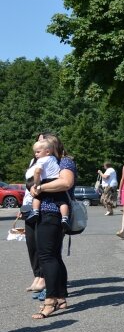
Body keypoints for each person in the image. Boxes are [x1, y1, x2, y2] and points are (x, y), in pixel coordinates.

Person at [27, 133, 76, 319]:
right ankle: (61, 296)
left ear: (52, 146)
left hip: (52, 212)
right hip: (48, 212)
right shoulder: (50, 162)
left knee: (46, 256)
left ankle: (51, 300)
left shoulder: (65, 162)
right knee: (53, 255)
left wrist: (40, 188)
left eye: (42, 144)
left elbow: (66, 182)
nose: (39, 150)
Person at [25, 139, 69, 229]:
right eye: (35, 152)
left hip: (46, 181)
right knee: (62, 202)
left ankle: (35, 212)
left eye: (38, 152)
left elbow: (37, 172)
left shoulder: (41, 160)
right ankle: (65, 218)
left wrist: (36, 184)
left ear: (47, 152)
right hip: (56, 181)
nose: (36, 154)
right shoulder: (53, 158)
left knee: (37, 197)